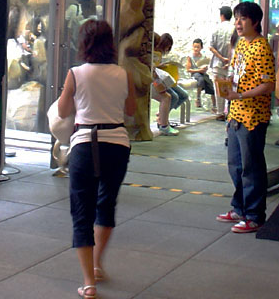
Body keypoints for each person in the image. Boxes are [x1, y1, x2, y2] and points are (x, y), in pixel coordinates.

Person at [57, 19, 136, 299]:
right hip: (117, 144)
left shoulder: (76, 73)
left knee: (82, 211)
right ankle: (98, 263)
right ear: (109, 43)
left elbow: (63, 111)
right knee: (106, 204)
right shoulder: (123, 74)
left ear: (84, 43)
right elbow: (131, 110)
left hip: (84, 146)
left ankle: (89, 283)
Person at [216, 1, 276, 233]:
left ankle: (254, 215)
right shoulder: (241, 44)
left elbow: (268, 85)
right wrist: (227, 85)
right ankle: (239, 208)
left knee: (251, 168)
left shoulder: (262, 48)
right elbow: (236, 73)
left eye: (243, 18)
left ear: (256, 21)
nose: (238, 23)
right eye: (236, 18)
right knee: (235, 165)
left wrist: (240, 95)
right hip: (236, 114)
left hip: (253, 116)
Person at [153, 33, 189, 125]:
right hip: (156, 80)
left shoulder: (159, 54)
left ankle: (162, 116)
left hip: (163, 79)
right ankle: (162, 120)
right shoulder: (154, 53)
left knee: (182, 95)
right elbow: (152, 68)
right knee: (172, 97)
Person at [209, 6, 235, 120]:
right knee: (231, 88)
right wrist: (229, 60)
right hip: (231, 65)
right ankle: (230, 112)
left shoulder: (216, 29)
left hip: (218, 64)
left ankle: (220, 113)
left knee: (218, 89)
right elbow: (235, 47)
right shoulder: (234, 29)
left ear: (222, 16)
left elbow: (211, 47)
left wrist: (221, 58)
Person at [186, 38, 214, 109]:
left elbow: (205, 66)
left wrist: (204, 69)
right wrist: (199, 70)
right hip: (195, 73)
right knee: (201, 79)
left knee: (211, 84)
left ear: (201, 48)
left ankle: (214, 105)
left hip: (202, 73)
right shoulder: (190, 57)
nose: (196, 49)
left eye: (198, 47)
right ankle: (198, 98)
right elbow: (188, 69)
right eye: (194, 47)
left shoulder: (203, 56)